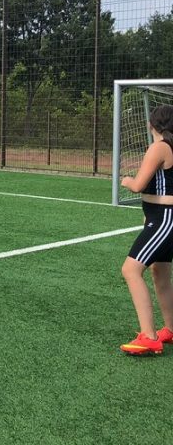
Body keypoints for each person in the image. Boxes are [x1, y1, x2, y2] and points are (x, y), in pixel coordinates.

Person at [119, 103, 173, 355]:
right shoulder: (166, 146)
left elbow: (139, 184)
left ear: (152, 124)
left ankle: (149, 337)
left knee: (130, 270)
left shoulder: (159, 147)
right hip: (161, 217)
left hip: (165, 218)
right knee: (159, 272)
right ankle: (170, 329)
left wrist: (126, 181)